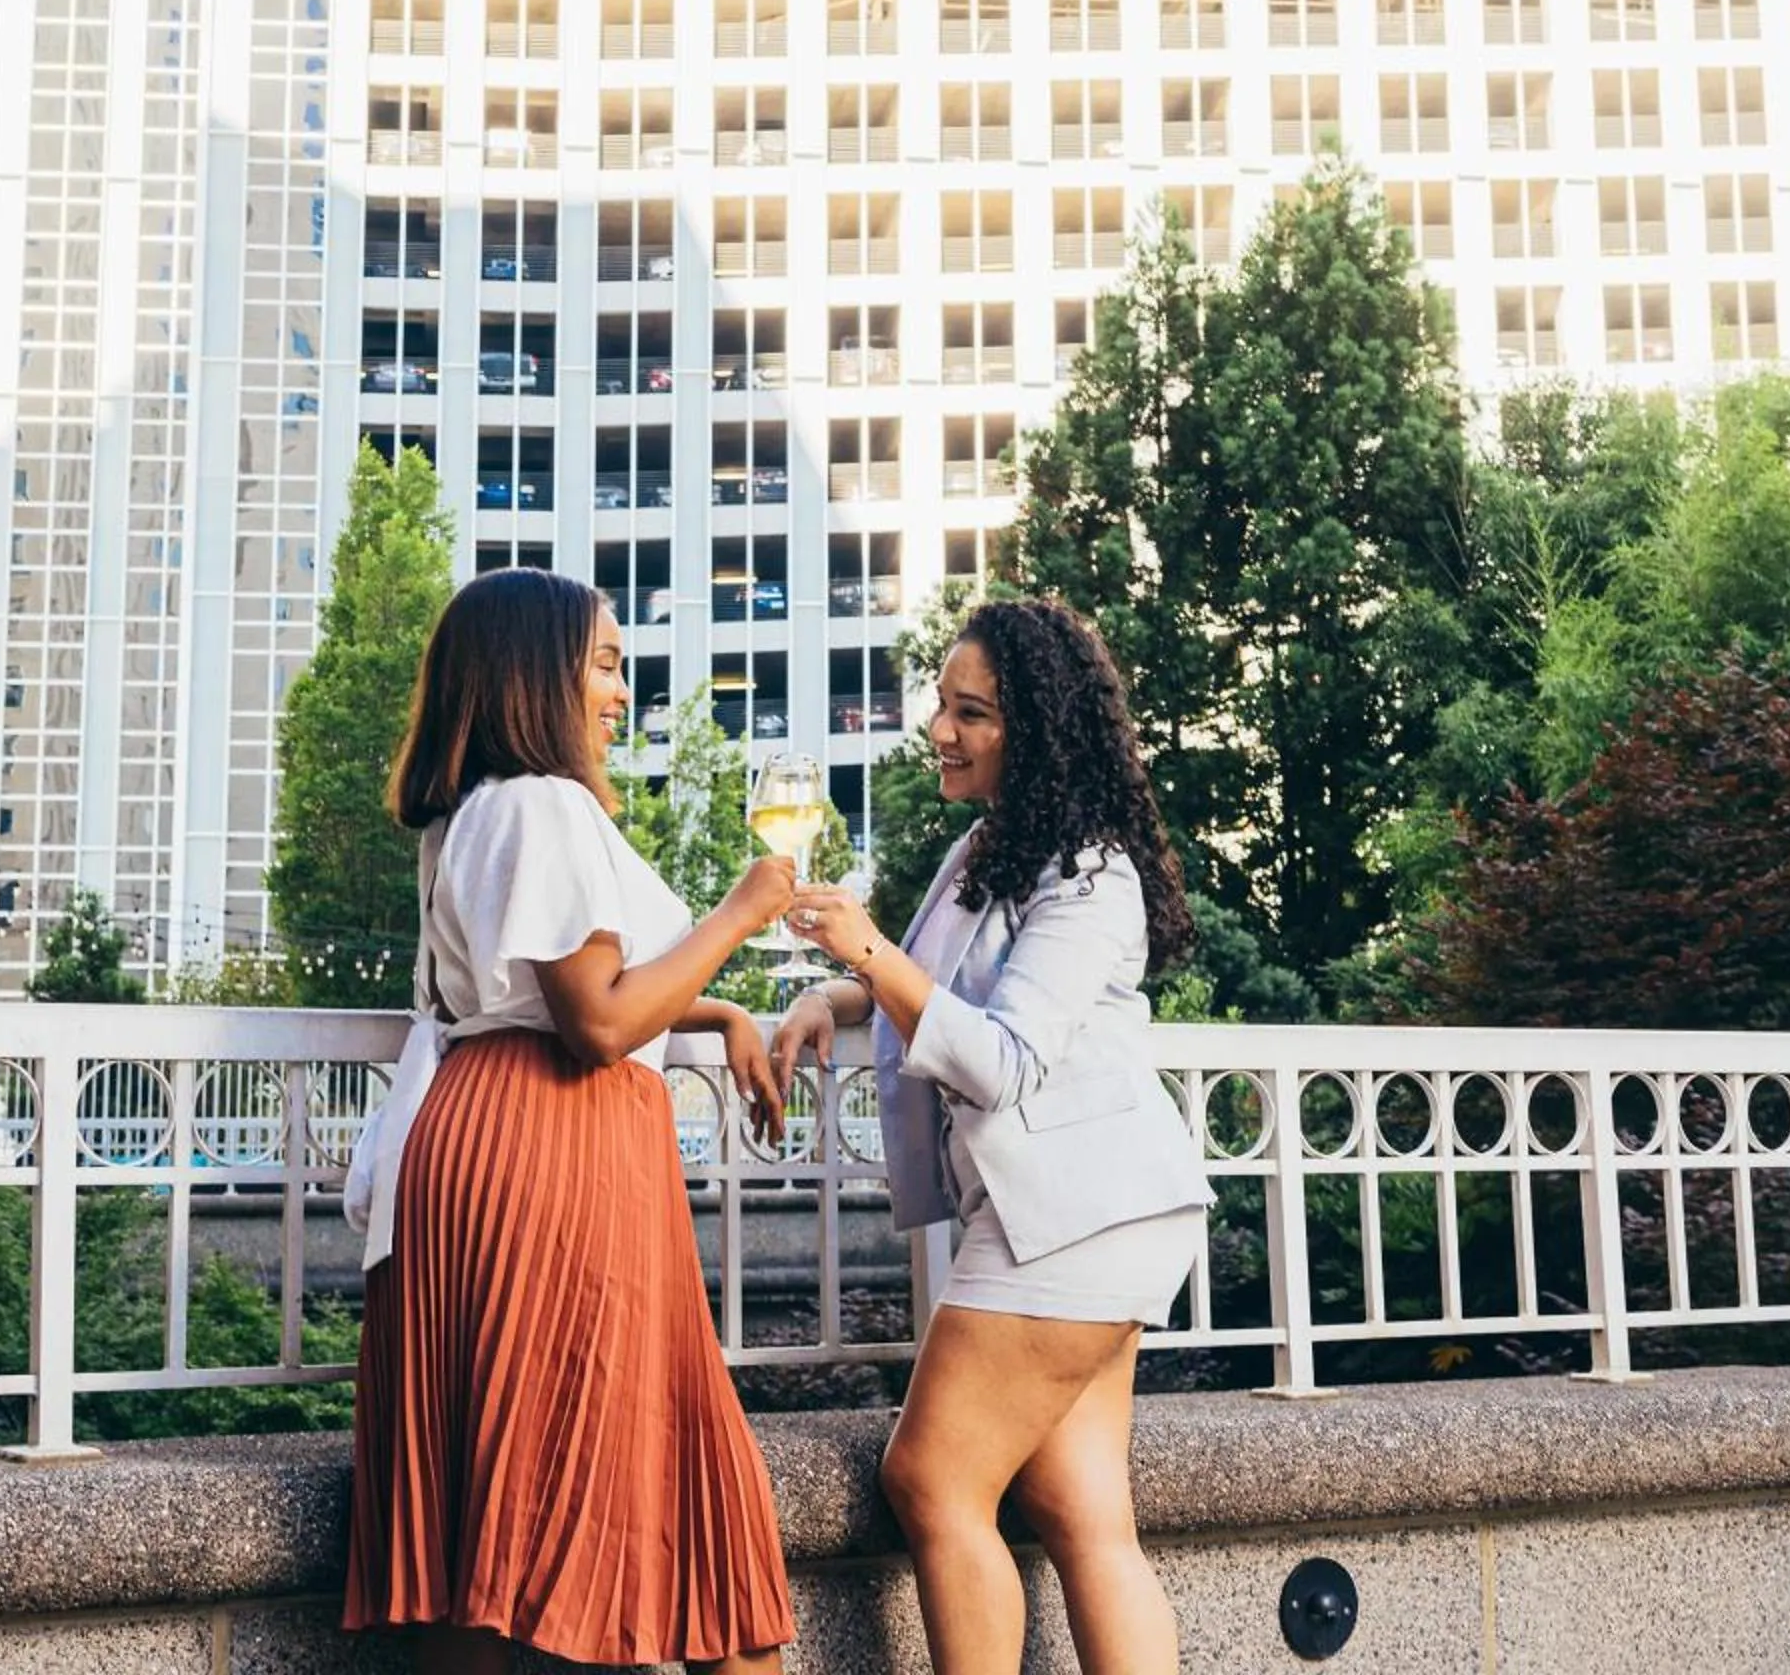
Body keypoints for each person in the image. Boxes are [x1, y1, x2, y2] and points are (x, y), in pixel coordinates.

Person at [345, 567, 798, 1674]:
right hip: (555, 1143)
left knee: (488, 1528)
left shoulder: (476, 814)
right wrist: (745, 914)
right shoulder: (540, 806)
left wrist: (719, 1006)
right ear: (531, 674)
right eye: (601, 663)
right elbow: (594, 1020)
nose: (616, 692)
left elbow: (550, 986)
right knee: (604, 1490)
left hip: (491, 1137)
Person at [774, 597, 1210, 1675]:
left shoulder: (1090, 871)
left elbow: (1003, 1058)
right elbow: (934, 993)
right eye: (941, 705)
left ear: (1039, 729)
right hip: (1085, 1213)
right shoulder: (992, 846)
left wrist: (868, 952)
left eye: (971, 712)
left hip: (1071, 1217)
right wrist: (832, 1000)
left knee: (931, 1477)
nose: (939, 731)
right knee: (1078, 1506)